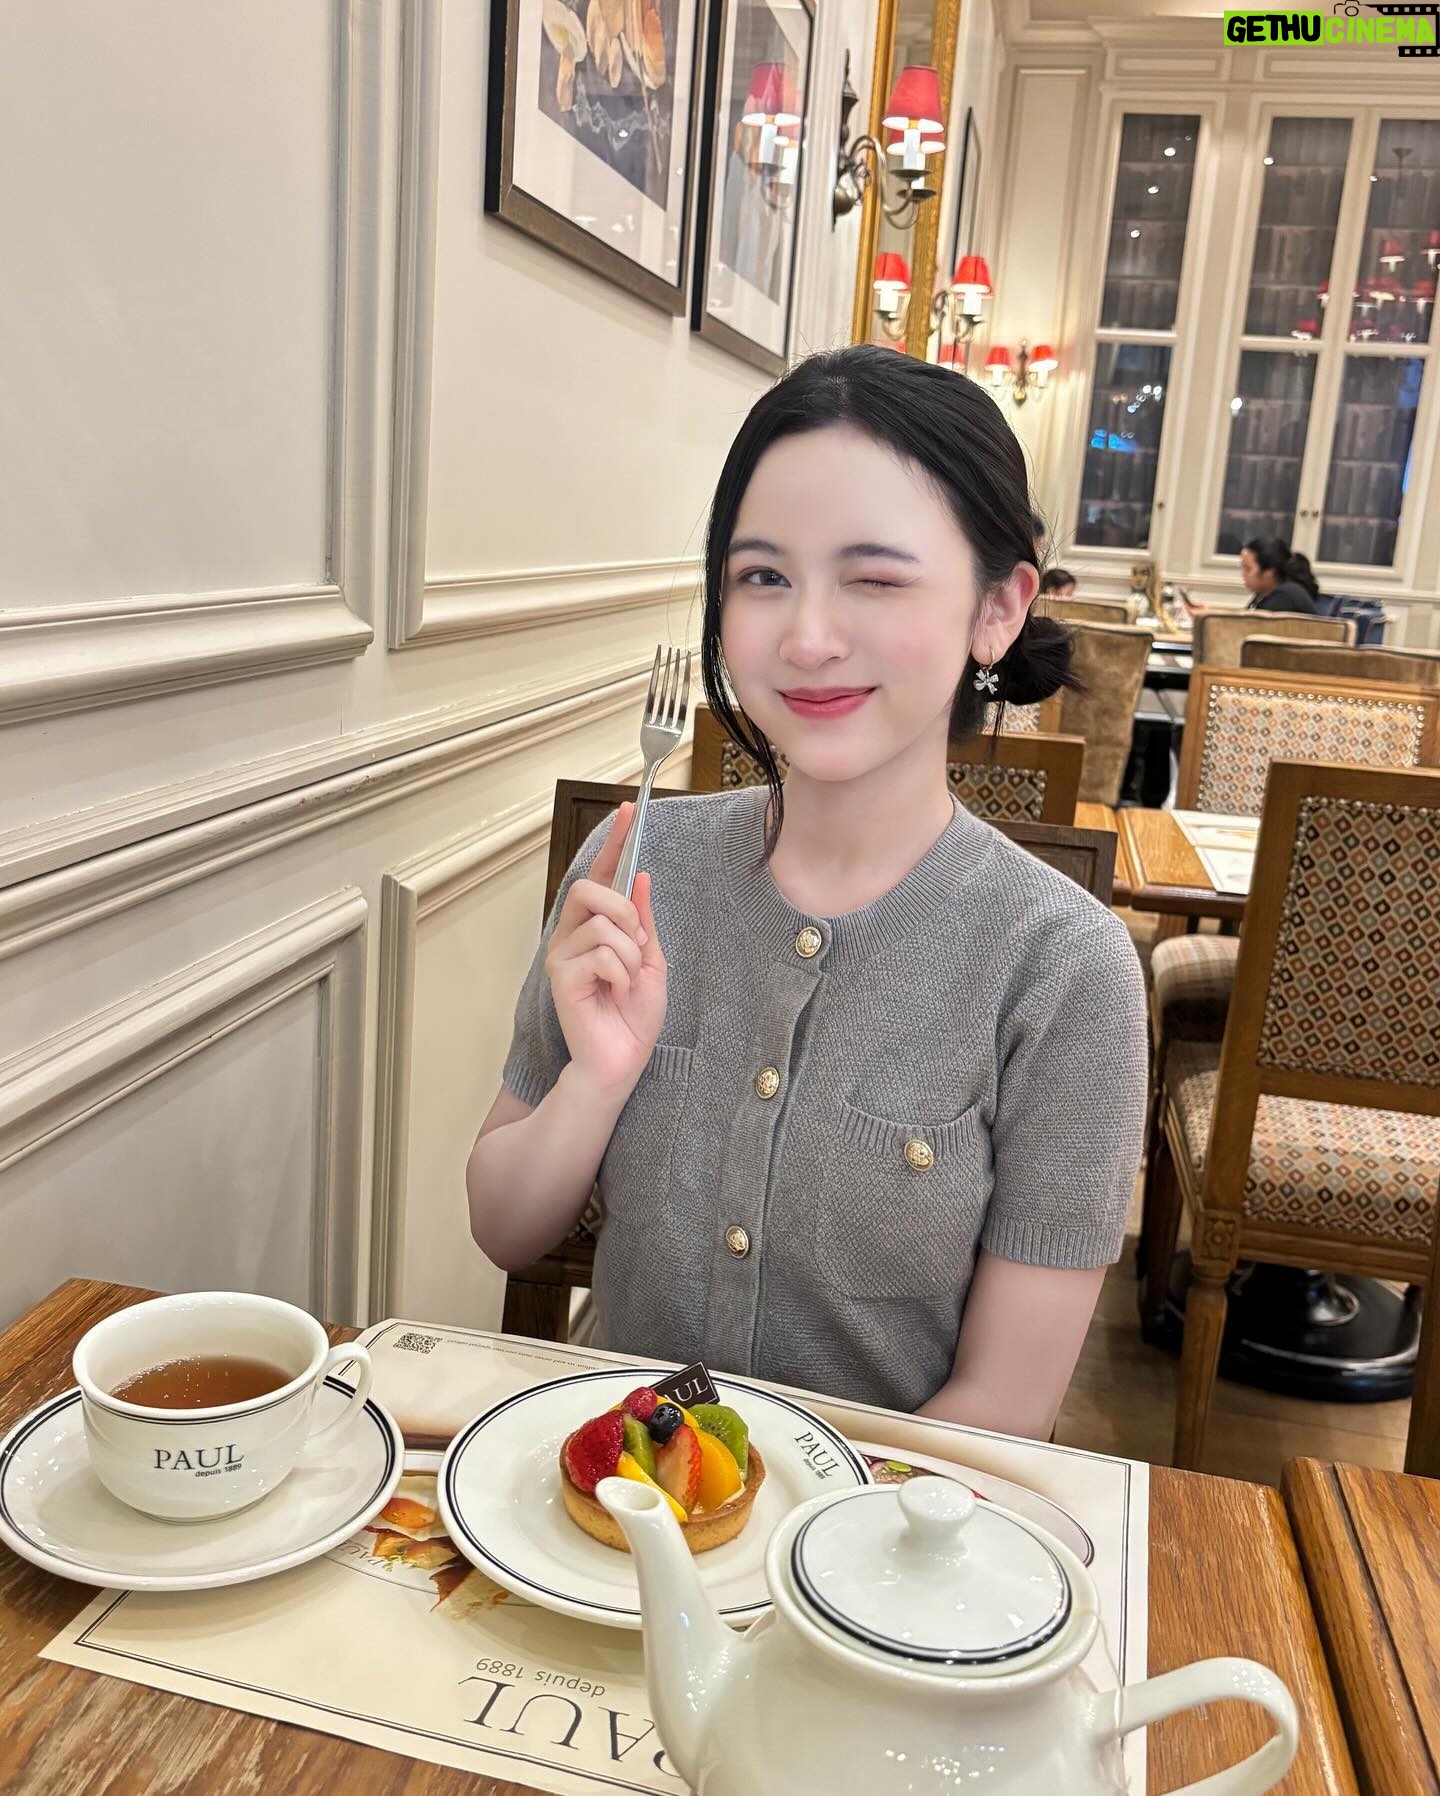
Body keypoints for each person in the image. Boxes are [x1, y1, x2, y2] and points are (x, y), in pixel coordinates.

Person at [466, 346, 1148, 1436]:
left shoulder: (1064, 968)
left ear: (998, 608)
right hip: (608, 1492)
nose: (808, 638)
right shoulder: (634, 866)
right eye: (763, 577)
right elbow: (504, 1227)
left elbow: (1004, 1405)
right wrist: (594, 1083)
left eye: (874, 577)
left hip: (877, 1524)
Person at [1240, 536, 1321, 615]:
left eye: (1248, 568)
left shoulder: (1285, 597)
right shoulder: (1265, 594)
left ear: (1269, 571)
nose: (1243, 574)